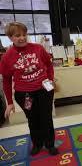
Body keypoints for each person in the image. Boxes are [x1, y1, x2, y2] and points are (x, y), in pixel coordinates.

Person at [0, 22, 58, 156]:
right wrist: (9, 102)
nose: (22, 38)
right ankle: (37, 144)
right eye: (17, 35)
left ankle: (49, 144)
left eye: (24, 34)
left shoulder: (38, 48)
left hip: (44, 91)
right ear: (10, 37)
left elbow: (49, 65)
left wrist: (50, 79)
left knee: (46, 118)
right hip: (25, 94)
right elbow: (7, 81)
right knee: (33, 119)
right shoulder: (7, 57)